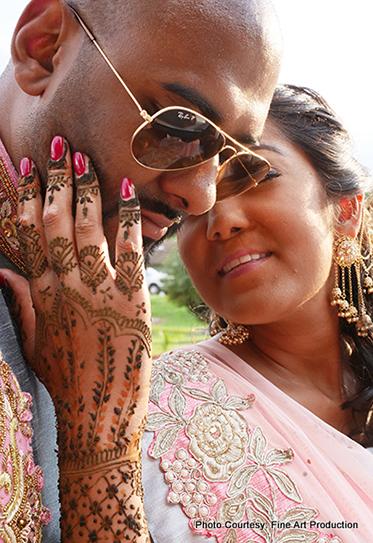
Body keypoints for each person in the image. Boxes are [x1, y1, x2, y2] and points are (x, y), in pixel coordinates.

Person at [0, 0, 281, 539]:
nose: (202, 197)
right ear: (44, 48)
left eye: (232, 162)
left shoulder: (94, 307)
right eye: (179, 128)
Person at [140, 85, 373, 542]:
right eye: (190, 207)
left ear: (345, 211)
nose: (220, 220)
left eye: (254, 173)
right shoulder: (149, 411)